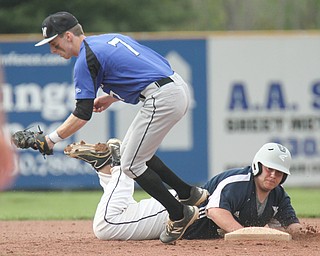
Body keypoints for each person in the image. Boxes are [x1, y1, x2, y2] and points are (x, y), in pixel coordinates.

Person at [34, 11, 208, 243]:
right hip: (175, 86)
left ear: (68, 36)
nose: (53, 50)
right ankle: (189, 193)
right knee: (133, 153)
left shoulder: (85, 59)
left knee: (130, 164)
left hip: (162, 97)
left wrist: (51, 139)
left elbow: (82, 113)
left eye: (54, 44)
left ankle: (178, 215)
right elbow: (146, 69)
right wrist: (111, 97)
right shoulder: (108, 39)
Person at [64, 140, 309, 241]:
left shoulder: (278, 197)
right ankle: (118, 165)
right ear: (258, 165)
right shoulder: (238, 181)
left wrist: (304, 233)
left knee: (122, 211)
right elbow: (215, 213)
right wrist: (248, 234)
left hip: (180, 222)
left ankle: (106, 168)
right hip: (174, 214)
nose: (273, 175)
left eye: (279, 172)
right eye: (269, 168)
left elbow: (291, 224)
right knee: (106, 226)